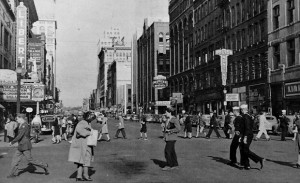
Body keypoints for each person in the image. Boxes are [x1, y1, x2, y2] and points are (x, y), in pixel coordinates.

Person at [7, 113, 48, 178]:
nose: (16, 120)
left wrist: (12, 142)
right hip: (21, 145)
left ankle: (44, 165)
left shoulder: (24, 125)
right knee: (15, 160)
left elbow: (20, 135)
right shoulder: (21, 125)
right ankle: (12, 174)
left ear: (21, 118)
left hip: (25, 145)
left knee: (30, 160)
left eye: (17, 118)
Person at [68, 111, 93, 181]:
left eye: (80, 115)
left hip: (80, 144)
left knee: (80, 161)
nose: (79, 117)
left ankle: (79, 176)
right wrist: (90, 132)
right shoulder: (83, 122)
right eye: (78, 115)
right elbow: (80, 132)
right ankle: (86, 175)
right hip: (84, 144)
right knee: (86, 160)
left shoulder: (81, 122)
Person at [239, 104, 265, 170]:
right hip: (245, 134)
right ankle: (246, 165)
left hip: (247, 135)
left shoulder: (246, 117)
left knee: (245, 150)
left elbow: (247, 128)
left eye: (241, 109)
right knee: (243, 149)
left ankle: (259, 159)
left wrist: (245, 137)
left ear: (243, 110)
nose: (241, 111)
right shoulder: (246, 116)